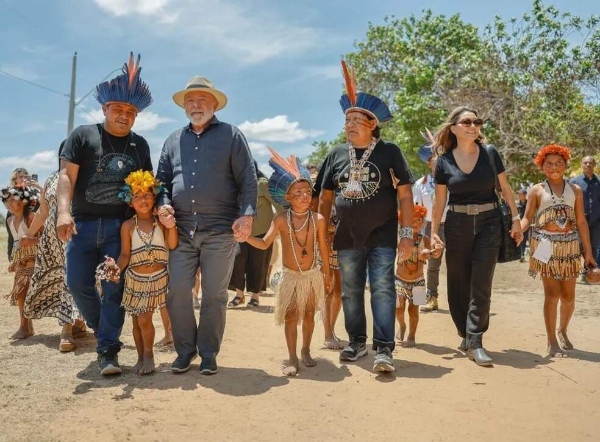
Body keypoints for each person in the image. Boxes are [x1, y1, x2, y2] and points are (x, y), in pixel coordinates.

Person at [56, 53, 154, 376]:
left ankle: (108, 352)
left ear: (136, 115)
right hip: (81, 225)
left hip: (118, 228)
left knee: (113, 286)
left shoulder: (140, 147)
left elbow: (150, 188)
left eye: (130, 111)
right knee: (77, 282)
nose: (124, 115)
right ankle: (105, 334)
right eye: (118, 109)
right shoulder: (83, 136)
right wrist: (63, 213)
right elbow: (66, 177)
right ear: (104, 109)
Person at [156, 76, 257, 375]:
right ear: (184, 106)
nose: (195, 105)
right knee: (177, 291)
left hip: (220, 231)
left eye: (202, 100)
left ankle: (209, 352)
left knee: (214, 294)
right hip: (181, 231)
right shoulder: (173, 140)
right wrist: (163, 203)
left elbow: (248, 180)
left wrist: (247, 215)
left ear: (214, 104)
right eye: (190, 101)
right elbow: (161, 181)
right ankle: (185, 351)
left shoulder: (232, 135)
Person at [318, 61, 414, 373]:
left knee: (383, 287)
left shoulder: (389, 151)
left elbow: (405, 194)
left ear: (372, 124)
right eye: (347, 119)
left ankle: (384, 348)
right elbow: (325, 198)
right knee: (349, 289)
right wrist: (322, 232)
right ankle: (357, 342)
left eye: (357, 119)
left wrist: (408, 234)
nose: (349, 124)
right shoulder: (334, 155)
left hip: (383, 233)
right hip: (346, 236)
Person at [430, 106, 522, 367]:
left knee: (482, 282)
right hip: (457, 224)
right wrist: (434, 233)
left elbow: (505, 187)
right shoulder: (443, 162)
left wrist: (516, 220)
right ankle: (465, 332)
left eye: (477, 121)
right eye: (467, 121)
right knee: (458, 282)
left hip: (489, 223)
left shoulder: (491, 153)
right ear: (454, 128)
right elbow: (439, 201)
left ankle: (476, 339)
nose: (473, 126)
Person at [244, 150, 331, 376]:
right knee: (291, 315)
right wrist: (246, 238)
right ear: (288, 197)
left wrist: (327, 273)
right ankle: (292, 356)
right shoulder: (281, 219)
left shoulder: (318, 219)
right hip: (291, 276)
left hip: (312, 275)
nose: (304, 196)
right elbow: (264, 244)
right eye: (298, 192)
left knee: (310, 314)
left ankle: (305, 349)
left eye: (307, 192)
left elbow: (323, 248)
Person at [521, 145, 596, 358]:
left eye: (558, 163)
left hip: (570, 246)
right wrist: (519, 228)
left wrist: (588, 252)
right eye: (549, 163)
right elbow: (527, 217)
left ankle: (562, 330)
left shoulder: (576, 191)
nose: (554, 167)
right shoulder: (536, 190)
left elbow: (581, 221)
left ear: (565, 165)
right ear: (542, 165)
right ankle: (551, 342)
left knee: (569, 297)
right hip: (544, 245)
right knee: (552, 295)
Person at [106, 170, 178, 374]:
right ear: (130, 202)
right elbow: (125, 255)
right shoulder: (128, 226)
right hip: (135, 279)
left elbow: (172, 245)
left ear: (154, 196)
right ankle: (140, 357)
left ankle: (149, 356)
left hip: (158, 278)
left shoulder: (160, 224)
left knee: (144, 319)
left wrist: (170, 225)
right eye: (136, 196)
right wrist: (116, 268)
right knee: (137, 321)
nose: (142, 200)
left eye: (147, 194)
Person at [22, 141, 85, 352]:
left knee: (74, 280)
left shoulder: (86, 177)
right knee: (61, 282)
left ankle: (68, 329)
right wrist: (29, 235)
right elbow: (42, 212)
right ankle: (74, 325)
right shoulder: (51, 180)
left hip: (76, 237)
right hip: (51, 243)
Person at [228, 162, 280, 308]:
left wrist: (285, 222)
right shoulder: (236, 186)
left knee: (257, 264)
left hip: (261, 233)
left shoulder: (263, 184)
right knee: (237, 260)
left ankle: (255, 296)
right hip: (240, 232)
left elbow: (277, 205)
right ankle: (239, 295)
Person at [395, 205, 442, 347]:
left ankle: (412, 335)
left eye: (419, 220)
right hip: (400, 280)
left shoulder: (425, 239)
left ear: (423, 222)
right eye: (412, 220)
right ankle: (402, 325)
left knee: (413, 310)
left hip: (418, 281)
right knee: (398, 308)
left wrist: (436, 251)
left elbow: (434, 254)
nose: (415, 223)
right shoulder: (399, 238)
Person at [412, 134, 448, 312]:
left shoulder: (452, 181)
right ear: (428, 163)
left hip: (452, 225)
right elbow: (415, 209)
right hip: (427, 227)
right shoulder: (420, 184)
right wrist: (414, 232)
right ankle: (428, 298)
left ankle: (463, 301)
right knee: (427, 263)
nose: (439, 162)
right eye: (435, 159)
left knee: (458, 263)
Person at [2, 185, 40, 339]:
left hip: (37, 259)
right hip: (21, 261)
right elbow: (16, 243)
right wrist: (13, 260)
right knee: (20, 292)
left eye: (13, 200)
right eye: (6, 201)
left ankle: (76, 325)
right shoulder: (10, 220)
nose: (9, 204)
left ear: (24, 201)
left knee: (36, 290)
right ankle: (25, 326)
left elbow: (48, 238)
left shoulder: (31, 217)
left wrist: (33, 241)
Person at [570, 156, 600, 265]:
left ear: (594, 165)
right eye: (585, 163)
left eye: (590, 163)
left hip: (597, 221)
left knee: (595, 246)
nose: (588, 164)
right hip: (579, 221)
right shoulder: (573, 182)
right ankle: (580, 270)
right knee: (579, 246)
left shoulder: (599, 181)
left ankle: (592, 272)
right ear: (581, 164)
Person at [5, 168, 31, 260]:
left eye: (26, 176)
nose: (24, 178)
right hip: (18, 252)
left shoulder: (34, 196)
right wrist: (10, 254)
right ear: (15, 180)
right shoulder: (11, 208)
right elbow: (11, 235)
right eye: (20, 177)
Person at [516, 188, 529, 262]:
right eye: (519, 194)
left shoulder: (529, 204)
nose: (519, 196)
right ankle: (519, 255)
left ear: (525, 195)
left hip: (527, 226)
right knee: (518, 239)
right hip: (518, 225)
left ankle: (522, 255)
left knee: (524, 240)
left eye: (520, 194)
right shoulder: (517, 204)